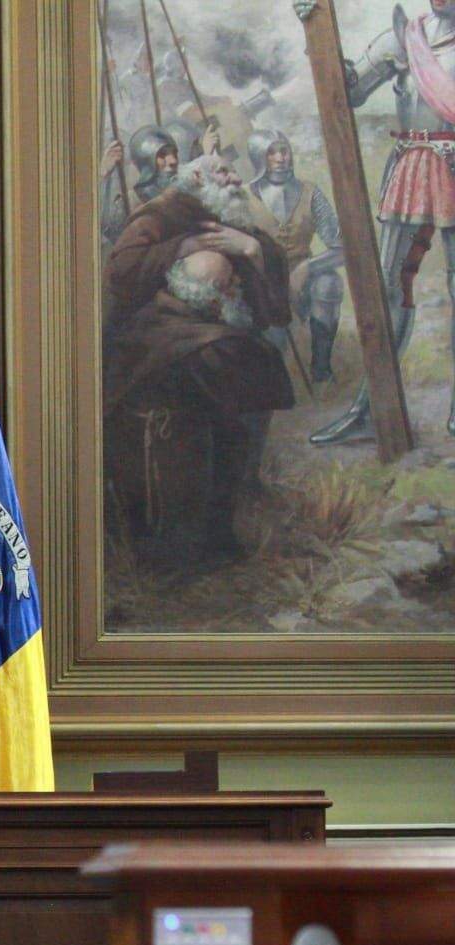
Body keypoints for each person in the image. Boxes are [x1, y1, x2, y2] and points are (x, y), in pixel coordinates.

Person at [104, 153, 293, 561]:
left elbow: (271, 274)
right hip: (155, 336)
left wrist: (251, 248)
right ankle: (190, 539)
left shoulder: (224, 211)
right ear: (195, 177)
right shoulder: (161, 213)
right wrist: (183, 246)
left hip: (203, 330)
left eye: (230, 168)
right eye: (222, 170)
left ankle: (220, 522)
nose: (233, 177)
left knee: (250, 359)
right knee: (230, 361)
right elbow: (121, 270)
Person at [297, 0, 455, 442]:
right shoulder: (405, 36)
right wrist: (314, 31)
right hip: (413, 167)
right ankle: (371, 407)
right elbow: (348, 91)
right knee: (388, 289)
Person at [244, 128, 345, 383]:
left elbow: (342, 247)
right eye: (271, 153)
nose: (280, 158)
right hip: (262, 281)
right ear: (259, 157)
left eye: (284, 150)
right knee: (273, 342)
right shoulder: (243, 197)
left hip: (303, 277)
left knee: (329, 284)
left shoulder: (311, 193)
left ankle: (321, 369)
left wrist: (307, 268)